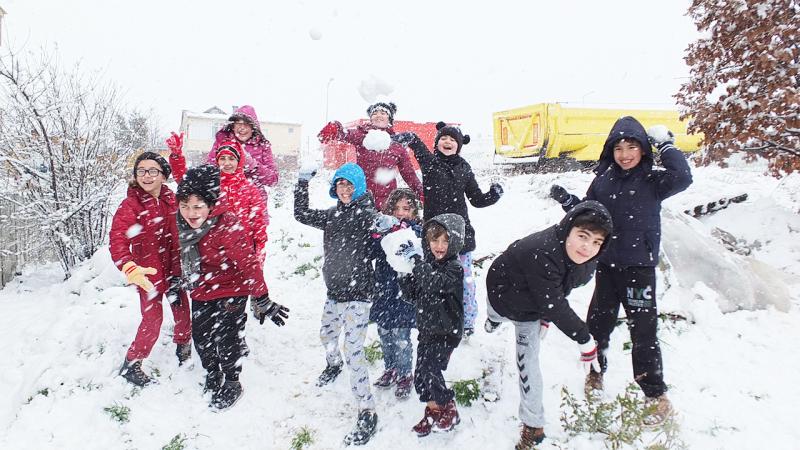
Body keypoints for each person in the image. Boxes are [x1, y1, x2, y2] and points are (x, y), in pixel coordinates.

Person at [549, 117, 693, 426]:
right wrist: (568, 202)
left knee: (643, 332)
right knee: (598, 324)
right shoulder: (604, 179)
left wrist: (665, 145)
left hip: (639, 268)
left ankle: (655, 395)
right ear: (610, 150)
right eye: (619, 148)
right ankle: (595, 375)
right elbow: (589, 211)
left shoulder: (654, 180)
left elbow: (683, 177)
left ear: (643, 149)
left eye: (632, 147)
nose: (625, 154)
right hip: (607, 266)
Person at [484, 201, 613, 449]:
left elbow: (557, 291)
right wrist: (584, 339)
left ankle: (533, 426)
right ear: (568, 229)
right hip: (503, 296)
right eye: (583, 236)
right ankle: (492, 321)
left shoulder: (586, 259)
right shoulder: (542, 251)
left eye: (597, 242)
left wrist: (544, 316)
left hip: (530, 311)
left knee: (528, 363)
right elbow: (554, 303)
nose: (588, 247)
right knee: (496, 316)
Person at [176, 165, 289, 410]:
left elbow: (249, 264)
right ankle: (213, 372)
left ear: (211, 203)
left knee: (227, 338)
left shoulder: (228, 226)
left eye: (197, 207)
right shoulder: (184, 224)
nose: (190, 213)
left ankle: (232, 381)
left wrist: (262, 297)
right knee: (202, 337)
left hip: (232, 289)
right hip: (202, 288)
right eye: (185, 206)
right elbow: (181, 255)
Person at [294, 162, 391, 446]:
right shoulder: (332, 215)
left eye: (349, 185)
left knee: (354, 351)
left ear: (358, 187)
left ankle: (367, 410)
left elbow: (380, 225)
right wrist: (301, 184)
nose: (345, 189)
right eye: (340, 185)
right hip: (334, 292)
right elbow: (301, 214)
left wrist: (387, 226)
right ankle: (332, 365)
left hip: (359, 295)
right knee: (326, 336)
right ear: (334, 188)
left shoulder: (365, 214)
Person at [396, 122, 503, 337]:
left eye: (453, 139)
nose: (447, 142)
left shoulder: (464, 168)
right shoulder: (430, 162)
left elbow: (477, 199)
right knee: (432, 278)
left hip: (459, 234)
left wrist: (494, 194)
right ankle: (435, 317)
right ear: (437, 143)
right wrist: (410, 137)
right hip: (434, 234)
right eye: (443, 138)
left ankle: (468, 320)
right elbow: (417, 145)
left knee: (463, 279)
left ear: (459, 146)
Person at [110, 152, 192, 387]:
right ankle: (132, 363)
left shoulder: (173, 200)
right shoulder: (131, 204)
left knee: (182, 310)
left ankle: (183, 344)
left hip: (175, 267)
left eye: (153, 170)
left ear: (164, 175)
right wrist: (129, 265)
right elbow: (117, 239)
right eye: (141, 171)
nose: (146, 176)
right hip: (148, 272)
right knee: (153, 318)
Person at [395, 213, 466, 437]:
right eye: (435, 240)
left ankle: (449, 408)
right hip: (427, 328)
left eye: (445, 240)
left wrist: (416, 262)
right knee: (422, 375)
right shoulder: (427, 265)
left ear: (454, 242)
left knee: (431, 370)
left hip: (446, 330)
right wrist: (403, 272)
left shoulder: (454, 268)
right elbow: (413, 294)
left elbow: (433, 283)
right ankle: (433, 410)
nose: (439, 245)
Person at [170, 138, 267, 264]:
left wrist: (259, 249)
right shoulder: (209, 184)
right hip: (211, 247)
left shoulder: (250, 189)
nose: (226, 163)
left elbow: (258, 222)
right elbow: (184, 181)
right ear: (217, 160)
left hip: (241, 248)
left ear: (239, 161)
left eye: (231, 159)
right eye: (222, 158)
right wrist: (177, 156)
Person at [317, 101, 423, 210]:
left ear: (389, 118)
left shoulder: (397, 145)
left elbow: (409, 175)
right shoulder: (363, 135)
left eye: (383, 113)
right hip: (362, 199)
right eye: (375, 113)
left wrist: (422, 193)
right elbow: (345, 134)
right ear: (371, 118)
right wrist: (335, 129)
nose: (378, 115)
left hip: (387, 202)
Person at [369, 188, 422, 400]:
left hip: (403, 292)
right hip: (383, 290)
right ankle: (390, 368)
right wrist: (377, 233)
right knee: (384, 333)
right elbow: (372, 250)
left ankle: (405, 373)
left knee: (401, 336)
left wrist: (402, 232)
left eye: (406, 209)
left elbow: (418, 250)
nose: (401, 213)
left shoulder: (416, 231)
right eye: (396, 209)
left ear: (413, 212)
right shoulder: (385, 231)